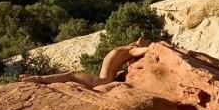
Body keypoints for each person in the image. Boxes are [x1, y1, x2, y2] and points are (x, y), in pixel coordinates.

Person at [21, 37, 150, 88]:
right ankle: (38, 78)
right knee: (71, 75)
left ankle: (38, 78)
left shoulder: (126, 51)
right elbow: (140, 53)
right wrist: (150, 47)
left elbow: (136, 60)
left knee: (71, 75)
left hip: (104, 80)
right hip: (103, 80)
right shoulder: (129, 50)